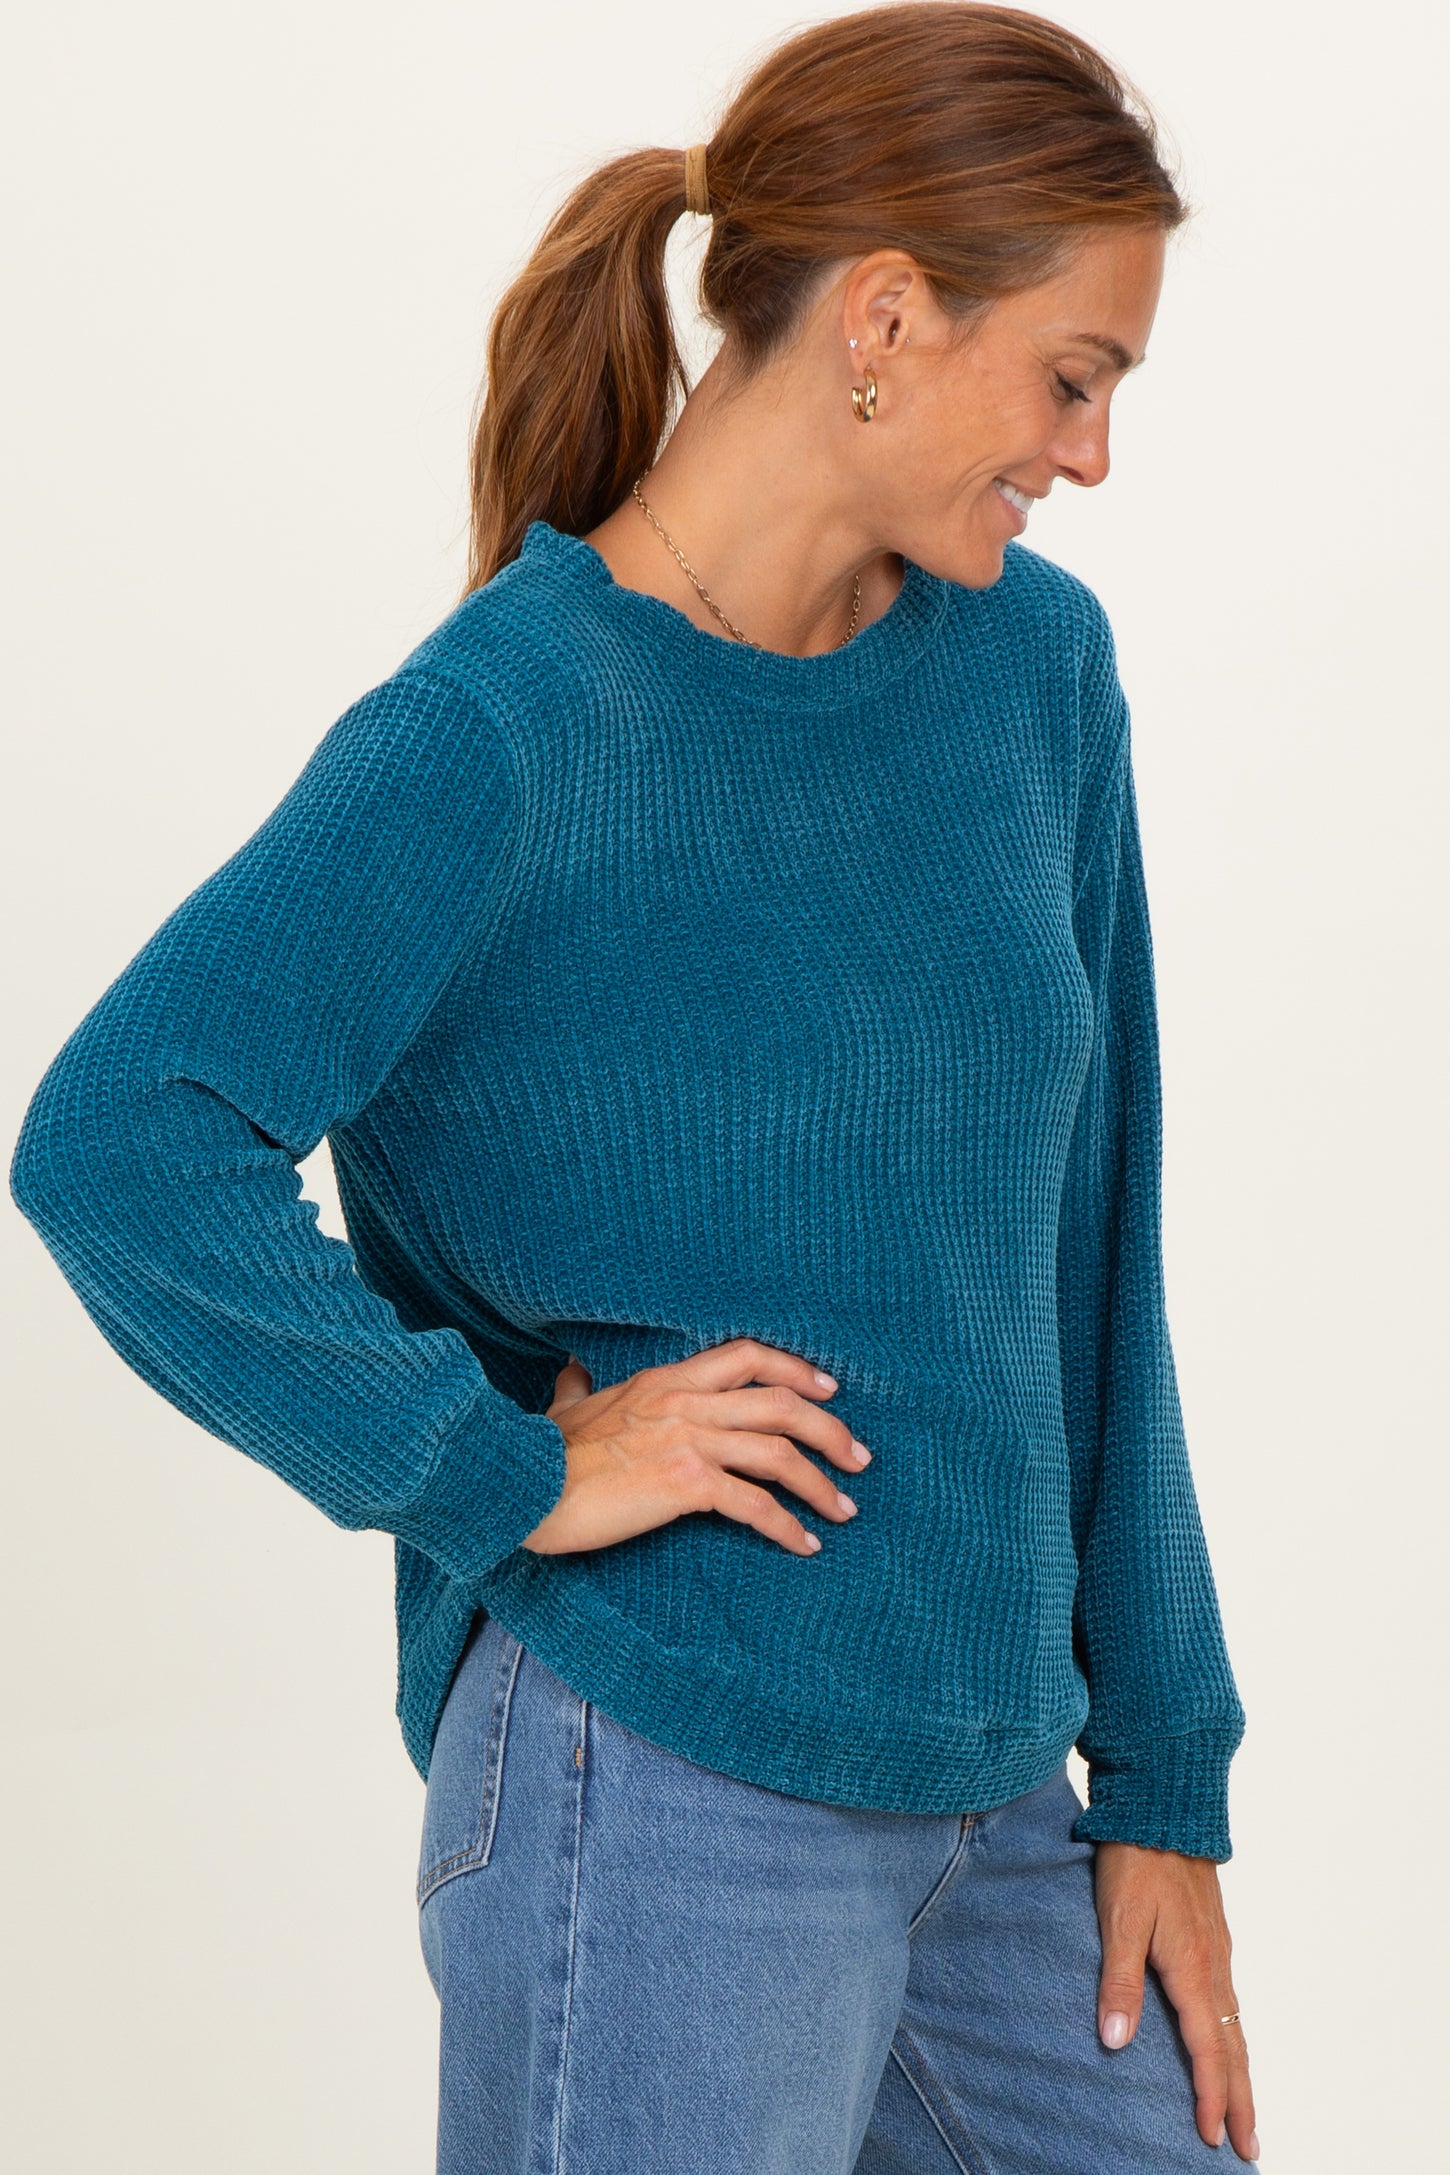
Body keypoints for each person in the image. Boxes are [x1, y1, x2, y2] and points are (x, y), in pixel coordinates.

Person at [8, 5, 1260, 2169]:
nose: (1087, 455)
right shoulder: (502, 728)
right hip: (659, 1784)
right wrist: (494, 1467)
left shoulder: (1031, 675)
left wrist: (1162, 1777)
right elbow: (121, 1139)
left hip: (1000, 1799)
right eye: (1073, 378)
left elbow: (1091, 1242)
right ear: (885, 318)